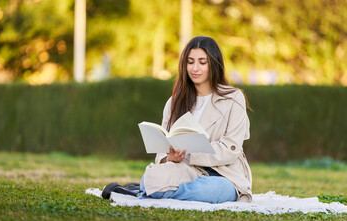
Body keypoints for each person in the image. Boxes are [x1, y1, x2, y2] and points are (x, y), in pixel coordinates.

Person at [102, 36, 252, 203]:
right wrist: (168, 158)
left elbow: (231, 149)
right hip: (185, 168)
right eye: (190, 62)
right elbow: (162, 148)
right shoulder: (175, 101)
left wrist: (190, 153)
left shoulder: (233, 98)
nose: (195, 68)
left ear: (214, 64)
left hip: (223, 173)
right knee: (150, 178)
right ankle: (150, 188)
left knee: (213, 190)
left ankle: (145, 192)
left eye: (202, 62)